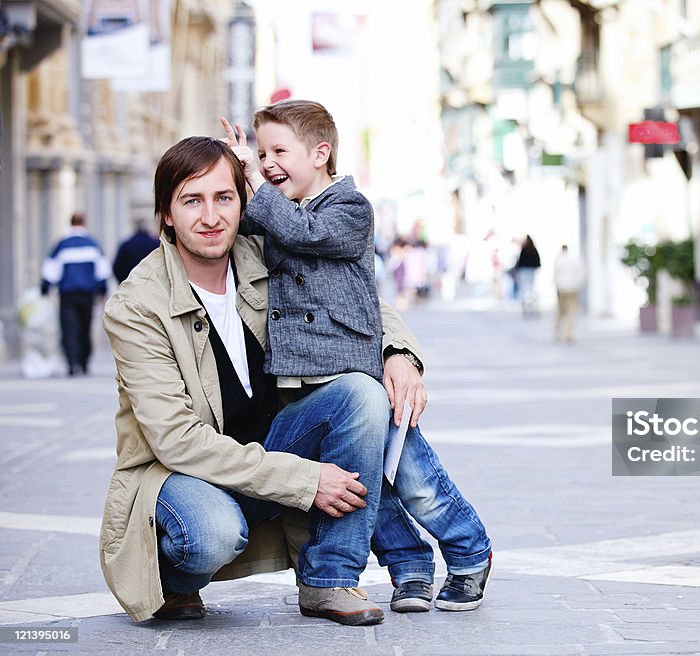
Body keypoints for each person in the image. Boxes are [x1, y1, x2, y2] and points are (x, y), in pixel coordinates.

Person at [102, 137, 428, 625]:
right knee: (211, 531)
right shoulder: (136, 306)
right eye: (192, 200)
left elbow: (351, 297)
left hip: (266, 448)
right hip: (174, 473)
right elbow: (177, 441)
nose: (211, 217)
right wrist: (306, 480)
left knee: (360, 394)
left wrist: (397, 351)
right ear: (166, 214)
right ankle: (171, 579)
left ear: (243, 202)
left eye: (224, 198)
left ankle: (329, 579)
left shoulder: (262, 254)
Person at [221, 100, 491, 614]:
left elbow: (305, 235)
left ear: (321, 153)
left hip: (355, 371)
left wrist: (254, 176)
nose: (268, 161)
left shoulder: (349, 208)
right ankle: (411, 568)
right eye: (261, 152)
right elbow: (239, 223)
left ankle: (470, 550)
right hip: (306, 386)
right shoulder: (281, 210)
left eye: (280, 150)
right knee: (365, 486)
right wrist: (233, 171)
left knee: (412, 479)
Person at [41, 212, 111, 376]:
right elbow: (102, 270)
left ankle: (72, 363)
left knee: (69, 328)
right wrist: (102, 290)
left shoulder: (62, 245)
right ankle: (84, 362)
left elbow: (51, 269)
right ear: (84, 223)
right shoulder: (93, 244)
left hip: (67, 294)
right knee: (85, 328)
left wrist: (45, 288)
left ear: (70, 223)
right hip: (87, 294)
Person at [553, 245, 585, 343]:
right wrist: (577, 284)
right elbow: (581, 273)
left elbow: (555, 274)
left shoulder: (559, 260)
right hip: (572, 288)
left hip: (562, 288)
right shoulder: (575, 259)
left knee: (560, 311)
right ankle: (568, 333)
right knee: (571, 311)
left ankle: (558, 333)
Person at [112, 218, 160, 283]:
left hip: (131, 284)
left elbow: (117, 268)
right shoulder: (156, 244)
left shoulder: (126, 245)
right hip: (151, 283)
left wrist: (124, 281)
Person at [515, 235, 541, 316]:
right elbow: (537, 262)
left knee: (526, 290)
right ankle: (530, 306)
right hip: (530, 272)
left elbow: (520, 263)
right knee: (530, 289)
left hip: (525, 272)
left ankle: (528, 306)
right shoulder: (533, 249)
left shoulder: (525, 249)